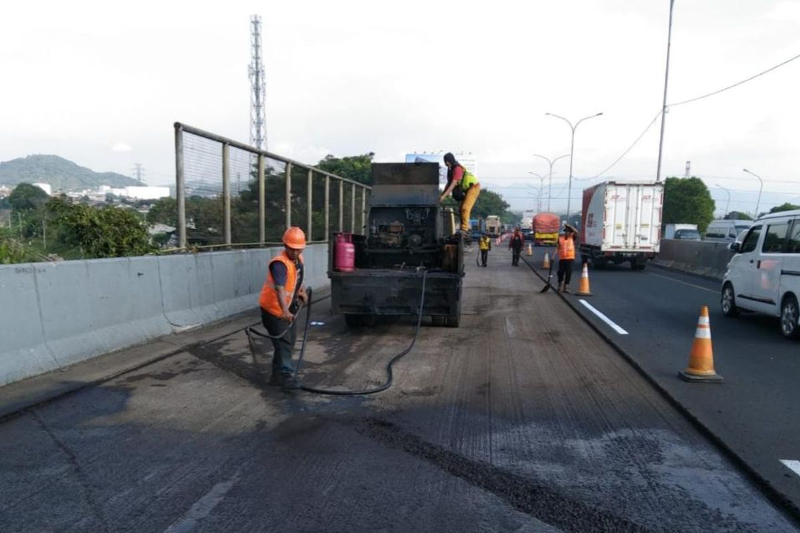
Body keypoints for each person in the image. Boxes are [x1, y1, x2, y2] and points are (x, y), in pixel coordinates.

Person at [258, 226, 309, 390]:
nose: (295, 252)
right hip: (274, 311)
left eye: (298, 249)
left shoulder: (298, 259)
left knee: (288, 341)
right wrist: (285, 311)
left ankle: (276, 377)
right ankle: (286, 376)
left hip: (287, 309)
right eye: (292, 248)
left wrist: (301, 291)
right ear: (285, 245)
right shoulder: (279, 264)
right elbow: (280, 288)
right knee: (284, 343)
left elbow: (297, 278)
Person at [439, 153, 481, 236]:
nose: (446, 163)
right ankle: (463, 228)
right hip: (467, 189)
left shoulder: (457, 169)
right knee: (460, 208)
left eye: (447, 161)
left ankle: (465, 229)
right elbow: (448, 184)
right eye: (445, 162)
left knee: (465, 208)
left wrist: (443, 197)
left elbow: (453, 184)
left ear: (451, 160)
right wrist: (441, 195)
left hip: (474, 187)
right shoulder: (450, 170)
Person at [556, 224, 578, 293]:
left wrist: (569, 226)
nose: (567, 233)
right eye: (566, 232)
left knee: (568, 273)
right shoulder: (560, 239)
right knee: (560, 272)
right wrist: (553, 256)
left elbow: (576, 232)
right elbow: (557, 248)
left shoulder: (572, 238)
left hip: (570, 258)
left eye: (568, 232)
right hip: (562, 258)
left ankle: (566, 286)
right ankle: (560, 285)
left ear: (570, 233)